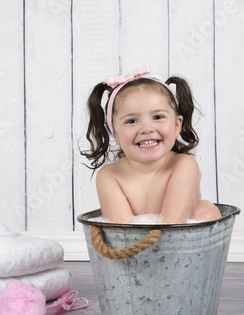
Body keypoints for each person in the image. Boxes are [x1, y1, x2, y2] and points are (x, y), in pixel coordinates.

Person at [81, 65, 221, 224]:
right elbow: (122, 233)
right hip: (134, 247)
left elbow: (173, 223)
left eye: (158, 117)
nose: (146, 129)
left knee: (205, 212)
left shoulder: (183, 165)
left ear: (176, 126)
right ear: (116, 134)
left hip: (176, 240)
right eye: (131, 121)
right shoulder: (109, 176)